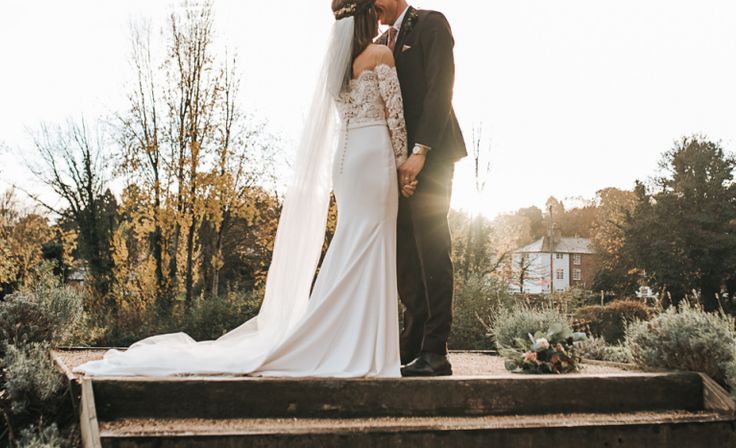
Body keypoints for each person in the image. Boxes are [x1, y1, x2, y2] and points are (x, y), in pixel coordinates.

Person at [74, 0, 412, 379]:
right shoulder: (380, 54)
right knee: (372, 243)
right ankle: (362, 344)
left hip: (346, 163)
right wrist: (405, 165)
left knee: (352, 244)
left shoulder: (335, 67)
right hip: (373, 157)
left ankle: (342, 337)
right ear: (367, 16)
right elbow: (396, 118)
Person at [375, 0, 467, 377]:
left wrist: (420, 152)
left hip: (432, 157)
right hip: (395, 165)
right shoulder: (382, 41)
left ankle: (435, 350)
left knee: (431, 249)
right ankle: (411, 344)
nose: (372, 7)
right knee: (405, 256)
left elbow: (439, 90)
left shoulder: (430, 24)